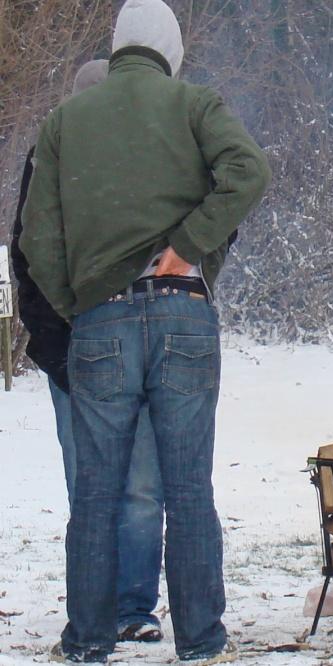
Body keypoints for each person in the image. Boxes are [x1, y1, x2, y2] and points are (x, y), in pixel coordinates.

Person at [20, 0, 271, 662]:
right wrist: (189, 246)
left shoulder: (66, 121)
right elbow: (248, 172)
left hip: (101, 319)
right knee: (188, 488)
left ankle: (87, 640)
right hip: (184, 312)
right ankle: (201, 639)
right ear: (172, 49)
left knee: (96, 493)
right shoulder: (196, 105)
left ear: (118, 43)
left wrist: (82, 302)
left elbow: (35, 236)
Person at [10, 59, 166, 645]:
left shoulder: (154, 157)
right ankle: (102, 607)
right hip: (75, 349)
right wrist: (54, 348)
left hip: (141, 342)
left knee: (139, 484)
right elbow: (28, 255)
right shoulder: (49, 158)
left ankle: (134, 604)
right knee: (95, 485)